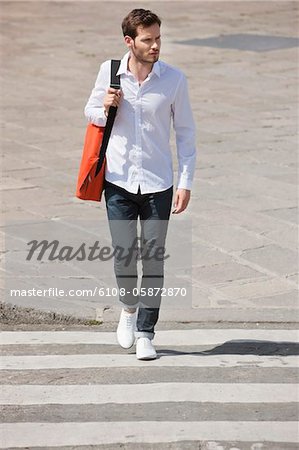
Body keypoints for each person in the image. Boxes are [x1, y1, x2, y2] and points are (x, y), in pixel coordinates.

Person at [84, 9, 196, 360]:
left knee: (153, 260)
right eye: (148, 39)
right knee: (124, 259)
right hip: (117, 182)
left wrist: (185, 182)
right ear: (129, 41)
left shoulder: (174, 79)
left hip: (159, 184)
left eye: (158, 38)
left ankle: (147, 331)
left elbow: (186, 133)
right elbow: (91, 111)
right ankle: (129, 310)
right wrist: (104, 105)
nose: (156, 45)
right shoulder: (110, 71)